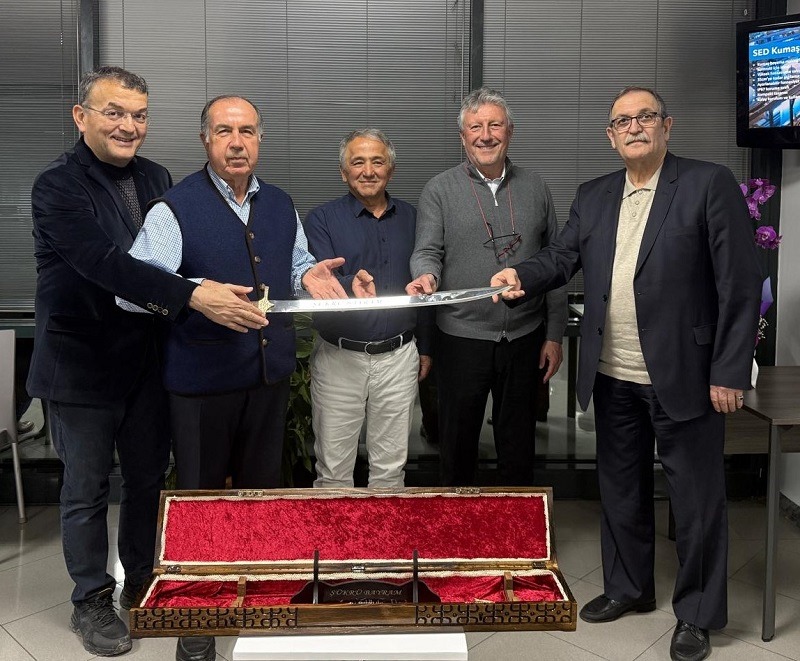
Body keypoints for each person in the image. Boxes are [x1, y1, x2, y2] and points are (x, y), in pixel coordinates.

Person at [491, 86, 761, 661]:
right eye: (622, 121)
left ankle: (697, 615)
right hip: (612, 374)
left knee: (696, 502)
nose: (634, 127)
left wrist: (730, 370)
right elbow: (561, 258)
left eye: (644, 117)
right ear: (610, 136)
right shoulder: (594, 195)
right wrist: (520, 275)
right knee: (620, 492)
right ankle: (629, 588)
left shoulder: (707, 183)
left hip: (687, 375)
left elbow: (739, 283)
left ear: (667, 125)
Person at [28, 68, 269, 658]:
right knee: (86, 489)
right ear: (81, 117)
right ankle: (91, 598)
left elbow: (178, 257)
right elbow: (106, 264)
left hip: (149, 362)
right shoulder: (57, 185)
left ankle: (140, 580)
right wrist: (194, 295)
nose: (128, 126)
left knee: (145, 482)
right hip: (81, 365)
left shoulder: (157, 177)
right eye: (114, 112)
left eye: (138, 115)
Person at [121, 94, 348, 661]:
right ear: (206, 140)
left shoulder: (280, 203)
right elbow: (132, 291)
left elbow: (294, 266)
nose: (237, 142)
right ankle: (196, 629)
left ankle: (253, 607)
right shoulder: (174, 209)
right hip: (200, 386)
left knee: (258, 499)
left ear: (260, 139)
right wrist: (196, 293)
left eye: (247, 131)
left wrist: (311, 277)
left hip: (266, 379)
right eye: (224, 131)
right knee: (200, 508)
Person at [407, 87, 568, 486]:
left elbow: (556, 264)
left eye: (495, 125)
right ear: (462, 136)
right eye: (475, 127)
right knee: (457, 448)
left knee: (518, 448)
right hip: (461, 339)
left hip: (525, 338)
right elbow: (427, 251)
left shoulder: (536, 187)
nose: (485, 135)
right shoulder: (439, 189)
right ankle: (461, 522)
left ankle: (516, 522)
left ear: (510, 131)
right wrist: (426, 276)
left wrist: (554, 335)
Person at [304, 129, 432, 488]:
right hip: (339, 358)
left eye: (378, 161)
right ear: (343, 172)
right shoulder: (320, 220)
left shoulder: (415, 218)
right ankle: (334, 529)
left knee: (390, 473)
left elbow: (426, 285)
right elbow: (319, 281)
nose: (368, 170)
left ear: (391, 169)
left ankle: (385, 529)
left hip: (399, 358)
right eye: (357, 162)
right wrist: (349, 285)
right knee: (333, 472)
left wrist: (426, 347)